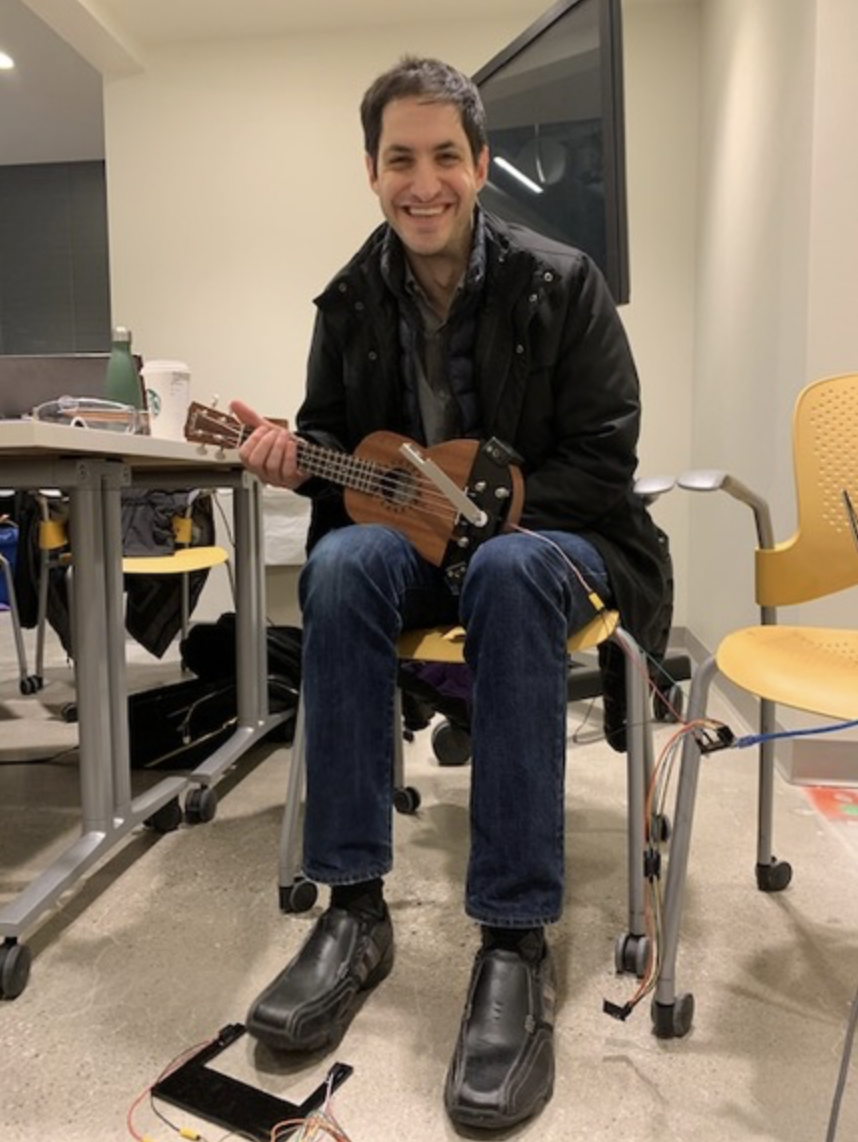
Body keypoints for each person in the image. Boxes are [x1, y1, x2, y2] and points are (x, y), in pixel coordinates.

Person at [232, 56, 669, 1131]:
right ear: (371, 171)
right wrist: (296, 459)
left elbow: (605, 458)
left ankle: (513, 939)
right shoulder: (347, 299)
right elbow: (336, 446)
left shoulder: (562, 282)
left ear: (479, 163)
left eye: (443, 158)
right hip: (416, 545)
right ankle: (353, 911)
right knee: (339, 565)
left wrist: (489, 512)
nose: (421, 183)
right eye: (399, 160)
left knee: (510, 570)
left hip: (558, 538)